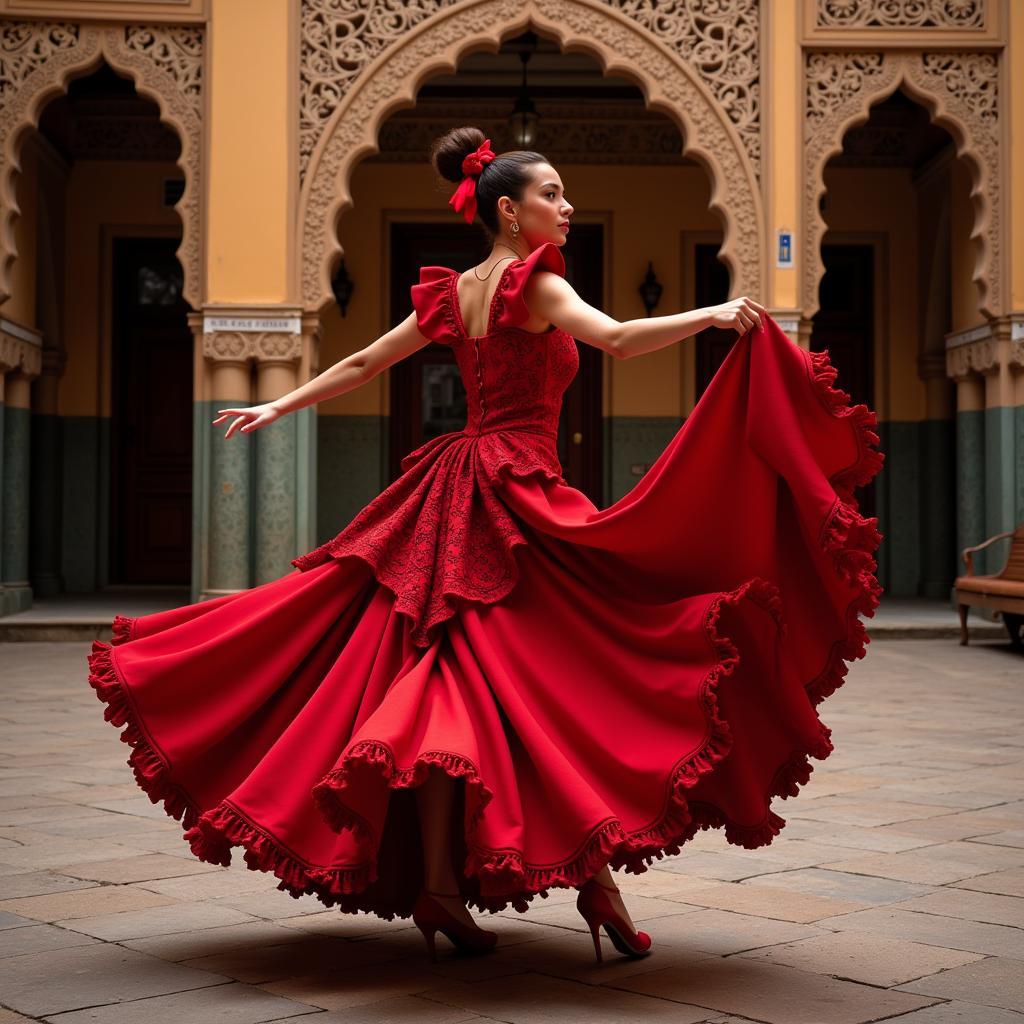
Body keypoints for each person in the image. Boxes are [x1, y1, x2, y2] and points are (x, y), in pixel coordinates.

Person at [87, 126, 883, 965]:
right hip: (515, 499)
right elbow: (613, 339)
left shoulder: (456, 292)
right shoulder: (532, 286)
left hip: (458, 484)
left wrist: (278, 408)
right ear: (509, 210)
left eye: (567, 194)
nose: (566, 207)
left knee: (458, 686)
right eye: (552, 195)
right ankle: (588, 883)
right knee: (558, 682)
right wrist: (714, 314)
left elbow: (364, 360)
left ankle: (453, 885)